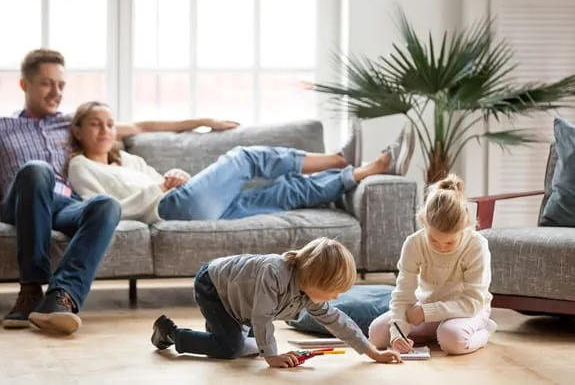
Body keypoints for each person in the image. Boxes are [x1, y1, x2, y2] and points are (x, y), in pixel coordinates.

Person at [0, 49, 239, 334]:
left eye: (61, 85)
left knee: (106, 204)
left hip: (64, 204)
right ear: (24, 84)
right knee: (37, 170)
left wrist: (204, 121)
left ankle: (61, 298)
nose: (56, 92)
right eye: (46, 83)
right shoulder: (4, 127)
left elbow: (141, 126)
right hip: (21, 203)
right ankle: (30, 290)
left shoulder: (69, 123)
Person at [66, 101, 415, 223]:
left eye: (109, 124)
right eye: (95, 124)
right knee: (245, 157)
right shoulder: (81, 166)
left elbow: (162, 178)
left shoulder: (128, 159)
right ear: (78, 131)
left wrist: (175, 175)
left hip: (189, 202)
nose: (104, 130)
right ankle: (338, 158)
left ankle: (363, 170)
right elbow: (101, 208)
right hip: (169, 208)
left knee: (285, 192)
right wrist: (161, 188)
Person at [150, 238, 403, 367]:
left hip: (241, 300)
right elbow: (262, 317)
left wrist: (372, 352)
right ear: (314, 279)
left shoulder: (310, 295)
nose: (336, 297)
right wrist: (271, 356)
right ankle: (171, 333)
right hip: (214, 286)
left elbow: (338, 322)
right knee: (231, 348)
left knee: (244, 346)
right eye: (333, 291)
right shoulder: (274, 272)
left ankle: (219, 332)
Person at [368, 174, 497, 355]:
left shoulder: (477, 245)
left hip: (466, 310)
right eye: (434, 240)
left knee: (453, 340)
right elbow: (403, 295)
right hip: (426, 306)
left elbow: (472, 302)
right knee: (377, 335)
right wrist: (398, 333)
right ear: (424, 223)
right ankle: (435, 333)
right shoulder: (414, 243)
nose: (442, 248)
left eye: (450, 243)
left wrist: (425, 312)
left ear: (465, 227)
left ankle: (483, 331)